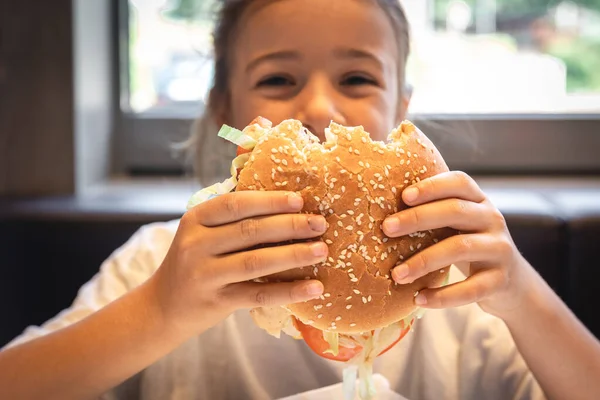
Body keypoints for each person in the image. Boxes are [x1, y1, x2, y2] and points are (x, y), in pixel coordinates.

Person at [1, 1, 599, 399]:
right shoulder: (160, 261)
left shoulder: (458, 284)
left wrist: (521, 294)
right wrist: (162, 310)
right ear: (226, 114)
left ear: (401, 112)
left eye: (358, 79)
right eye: (278, 80)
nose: (317, 107)